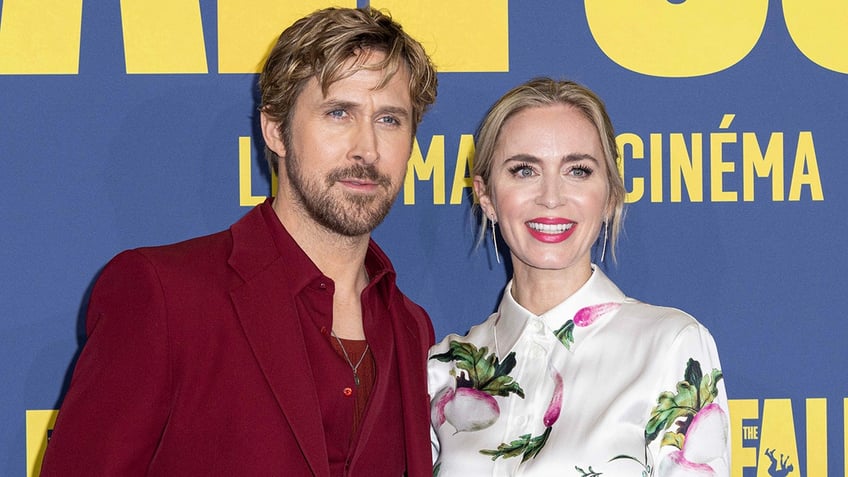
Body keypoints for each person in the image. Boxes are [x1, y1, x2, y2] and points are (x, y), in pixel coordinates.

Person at [40, 7, 438, 476]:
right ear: (275, 130)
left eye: (390, 120)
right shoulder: (164, 295)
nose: (367, 148)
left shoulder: (412, 328)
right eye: (338, 113)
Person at [428, 78, 729, 476]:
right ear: (486, 196)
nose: (551, 196)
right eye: (523, 170)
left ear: (610, 196)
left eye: (578, 170)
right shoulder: (444, 368)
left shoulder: (668, 346)